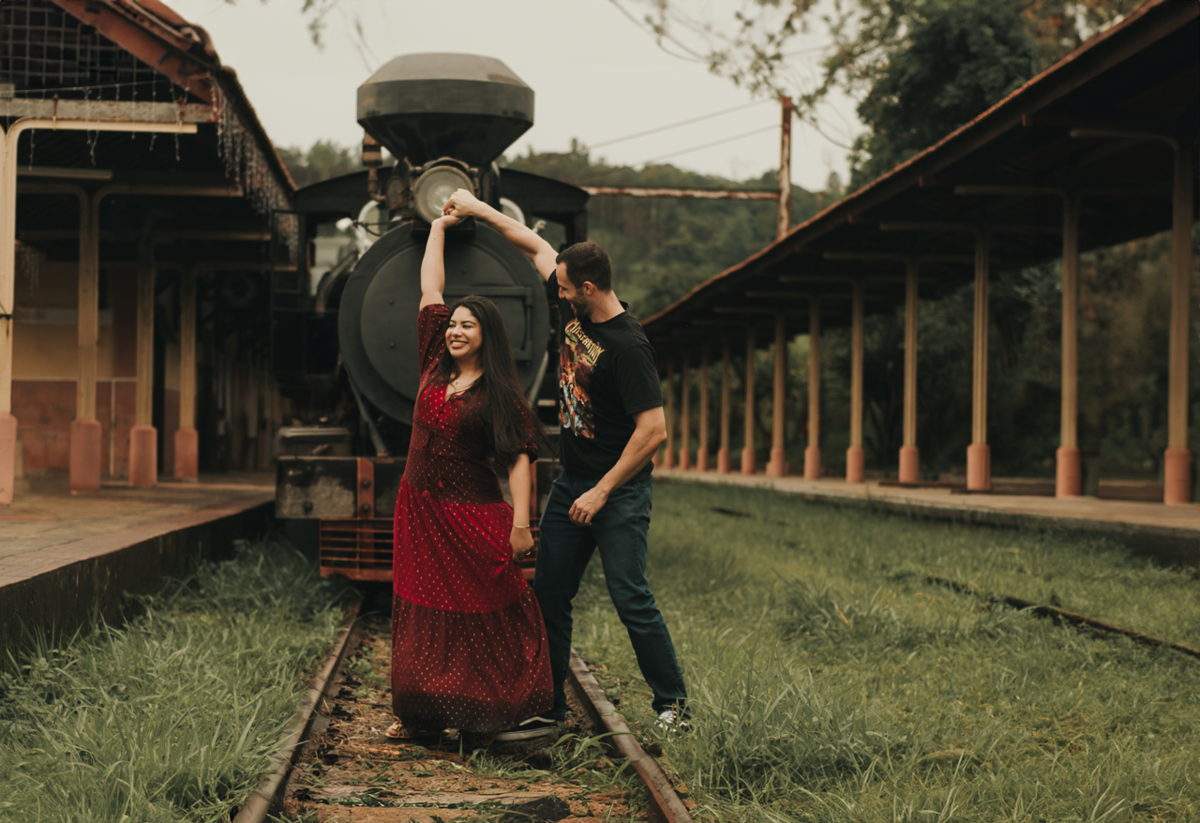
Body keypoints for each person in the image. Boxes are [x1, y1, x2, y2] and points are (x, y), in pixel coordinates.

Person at [442, 190, 688, 728]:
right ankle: (551, 707)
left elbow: (654, 431)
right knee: (549, 595)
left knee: (631, 597)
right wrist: (476, 208)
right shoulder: (570, 296)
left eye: (568, 289)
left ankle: (674, 706)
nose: (561, 294)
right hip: (574, 482)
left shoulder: (628, 348)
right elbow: (531, 242)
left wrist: (601, 491)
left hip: (616, 493)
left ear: (591, 288)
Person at [388, 211, 555, 742]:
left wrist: (522, 525)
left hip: (472, 514)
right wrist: (437, 227)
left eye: (467, 325)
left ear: (486, 335)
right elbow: (430, 288)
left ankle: (506, 709)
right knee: (422, 605)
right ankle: (423, 713)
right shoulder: (434, 362)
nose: (455, 330)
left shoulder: (500, 394)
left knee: (492, 604)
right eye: (453, 324)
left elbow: (520, 458)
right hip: (419, 508)